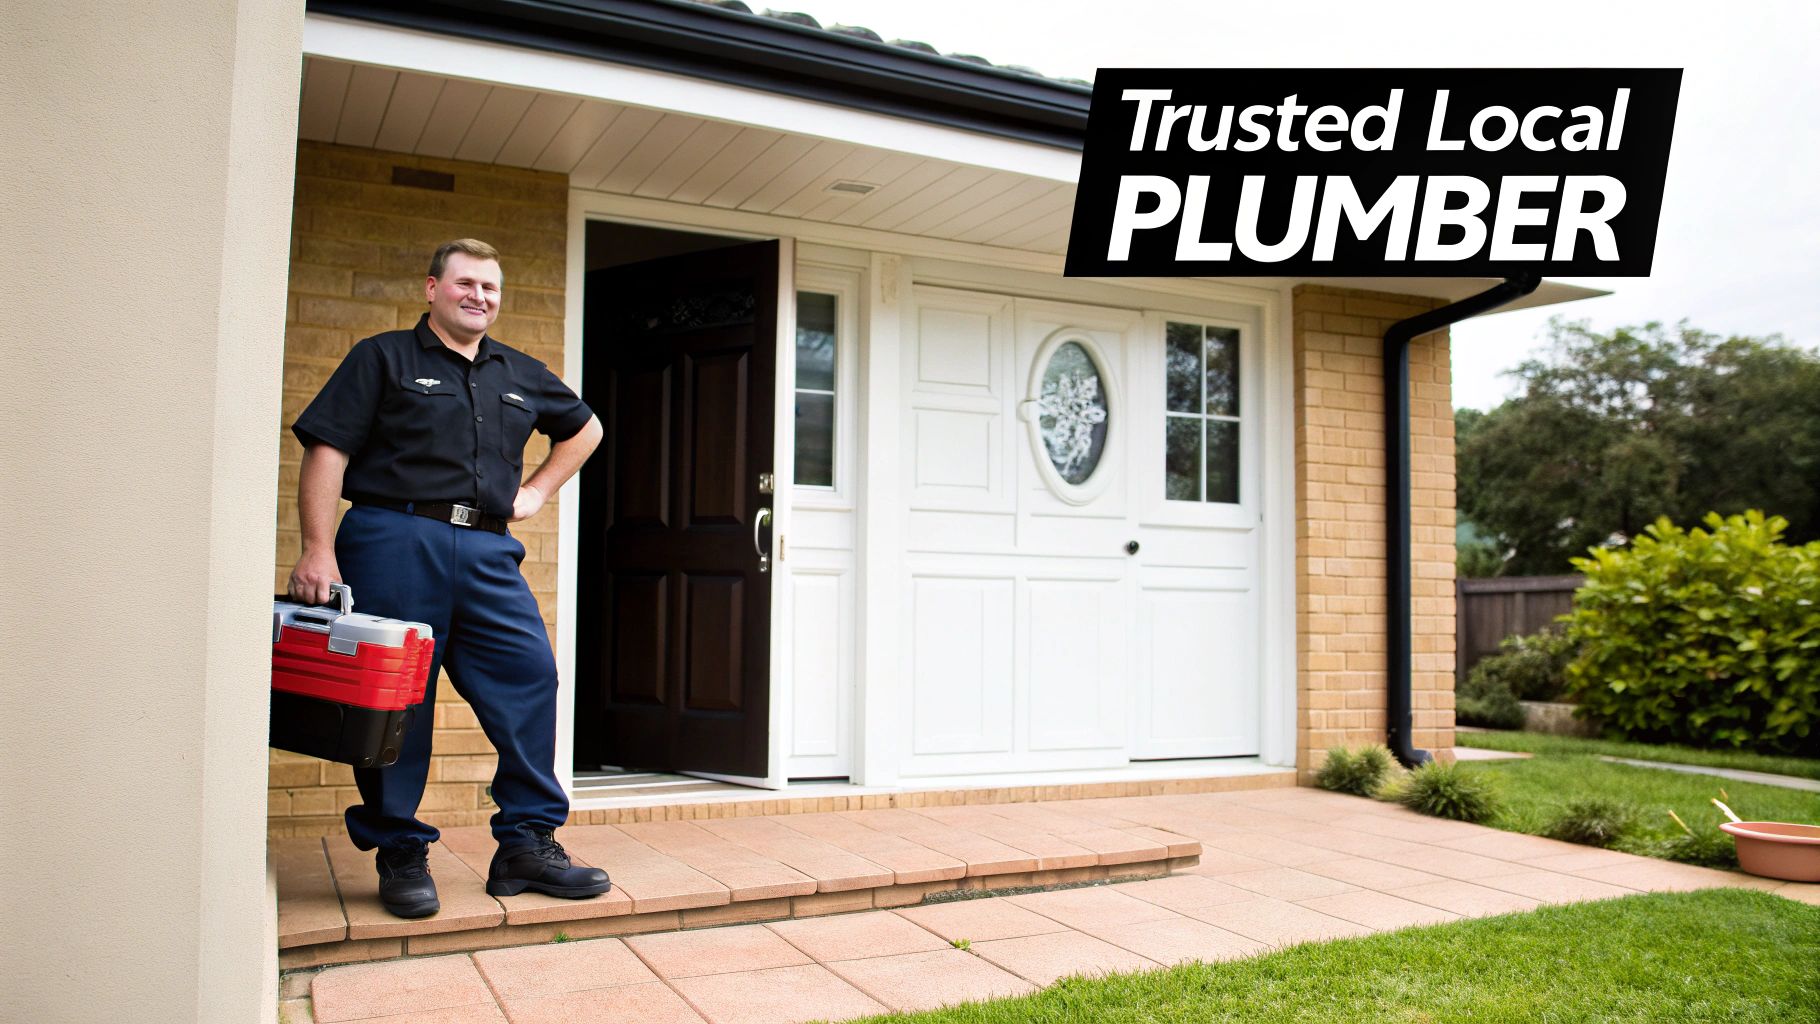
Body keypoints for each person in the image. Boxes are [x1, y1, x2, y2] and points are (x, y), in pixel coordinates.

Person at [287, 238, 609, 918]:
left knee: (530, 678)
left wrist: (539, 493)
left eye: (490, 288)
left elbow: (585, 429)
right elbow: (328, 450)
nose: (479, 297)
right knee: (394, 700)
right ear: (432, 288)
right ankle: (400, 848)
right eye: (465, 283)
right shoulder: (382, 357)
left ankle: (526, 841)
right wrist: (318, 548)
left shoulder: (518, 372)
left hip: (490, 551)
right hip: (392, 537)